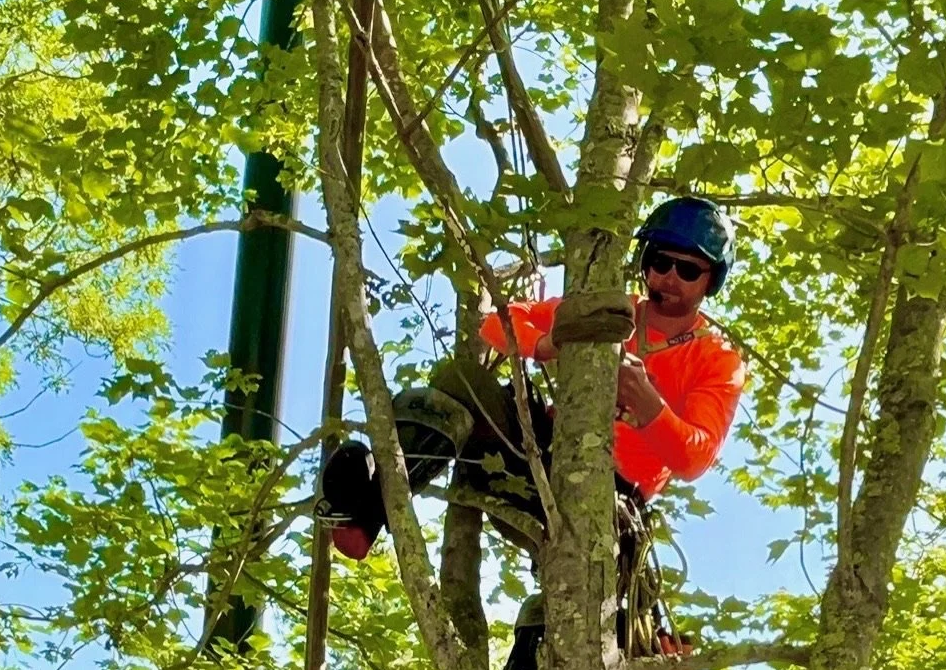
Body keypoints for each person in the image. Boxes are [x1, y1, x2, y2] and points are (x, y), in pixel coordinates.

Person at [317, 196, 745, 559]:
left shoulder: (715, 357)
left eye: (687, 271)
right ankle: (370, 505)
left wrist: (646, 401)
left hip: (606, 499)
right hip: (536, 452)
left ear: (711, 281)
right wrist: (547, 344)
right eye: (659, 263)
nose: (668, 278)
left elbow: (694, 458)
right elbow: (497, 322)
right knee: (463, 379)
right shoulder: (610, 309)